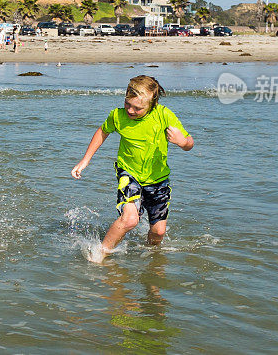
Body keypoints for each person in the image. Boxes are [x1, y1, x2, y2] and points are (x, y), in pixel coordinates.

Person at [71, 75, 193, 262]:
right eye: (128, 104)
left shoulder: (164, 115)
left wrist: (182, 142)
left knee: (158, 232)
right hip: (129, 173)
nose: (130, 110)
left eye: (137, 108)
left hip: (158, 178)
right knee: (130, 220)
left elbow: (189, 143)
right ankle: (99, 254)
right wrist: (85, 160)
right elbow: (102, 132)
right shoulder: (118, 116)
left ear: (152, 105)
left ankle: (151, 259)